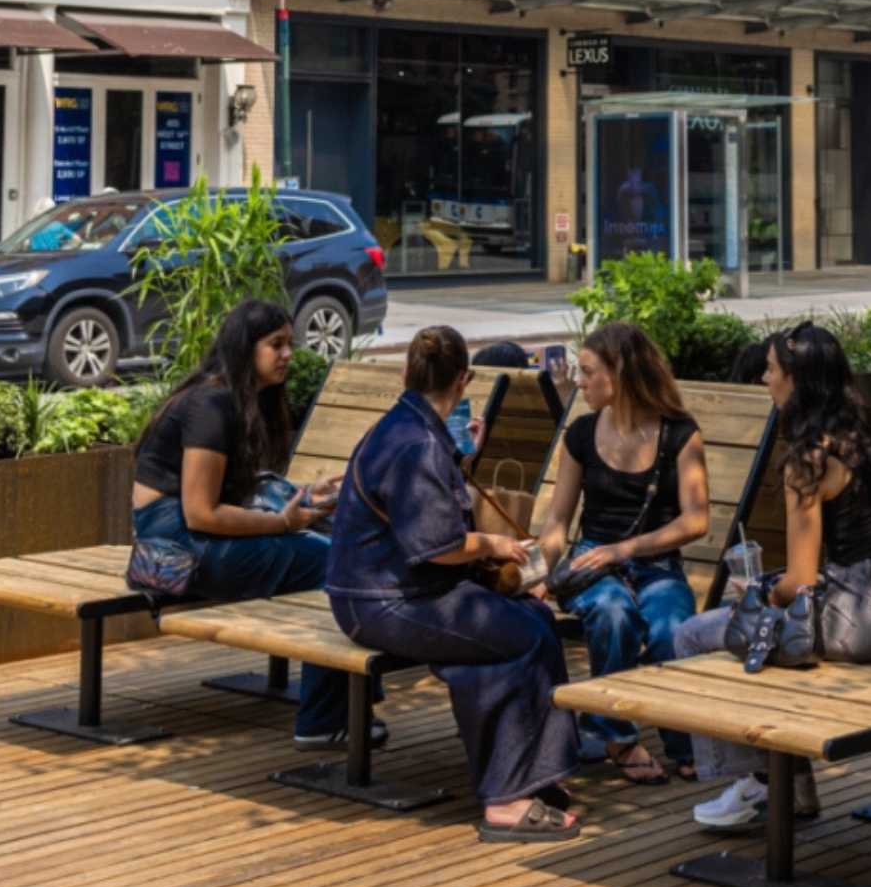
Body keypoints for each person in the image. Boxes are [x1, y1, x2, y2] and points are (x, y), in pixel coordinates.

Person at [325, 326, 582, 842]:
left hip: (383, 594)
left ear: (406, 374)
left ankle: (534, 774)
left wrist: (464, 456)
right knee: (525, 638)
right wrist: (493, 545)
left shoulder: (405, 427)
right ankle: (506, 800)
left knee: (533, 619)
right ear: (464, 380)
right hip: (386, 601)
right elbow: (437, 547)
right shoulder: (417, 444)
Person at [671, 323, 871, 829]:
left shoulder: (807, 461)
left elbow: (802, 582)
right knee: (767, 634)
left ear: (797, 380)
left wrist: (761, 591)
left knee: (697, 635)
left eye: (770, 369)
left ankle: (762, 785)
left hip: (859, 619)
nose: (764, 379)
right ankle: (792, 788)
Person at [130, 300, 355, 750]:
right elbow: (201, 513)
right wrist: (281, 523)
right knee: (339, 567)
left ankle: (345, 704)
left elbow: (232, 490)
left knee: (341, 552)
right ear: (243, 349)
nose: (288, 354)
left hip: (187, 532)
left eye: (290, 343)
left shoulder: (237, 399)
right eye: (276, 344)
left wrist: (303, 498)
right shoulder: (212, 404)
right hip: (178, 543)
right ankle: (324, 718)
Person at [534, 322, 710, 785]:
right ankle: (615, 735)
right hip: (593, 563)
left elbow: (696, 520)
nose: (579, 381)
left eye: (589, 372)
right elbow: (557, 523)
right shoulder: (582, 433)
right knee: (613, 613)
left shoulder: (679, 434)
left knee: (674, 628)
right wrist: (538, 574)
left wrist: (625, 549)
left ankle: (683, 742)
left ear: (622, 374)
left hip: (655, 563)